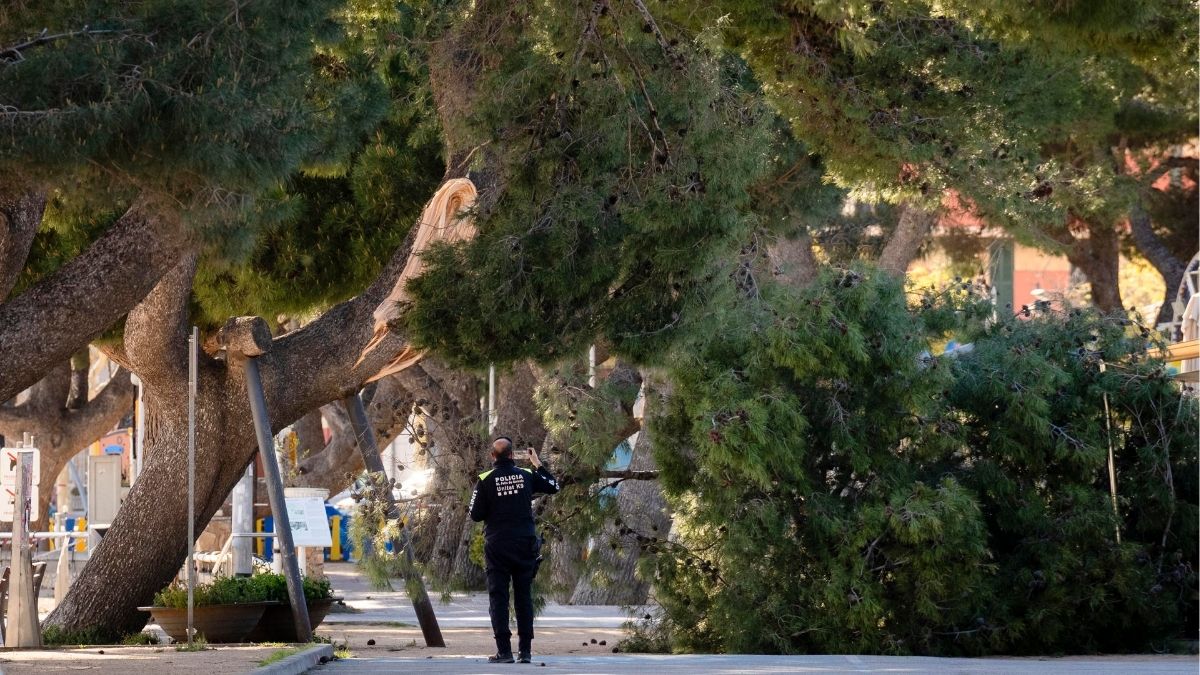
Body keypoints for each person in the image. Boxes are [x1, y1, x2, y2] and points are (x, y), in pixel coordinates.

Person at [469, 436, 560, 664]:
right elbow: (554, 486)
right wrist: (537, 463)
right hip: (524, 544)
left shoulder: (485, 479)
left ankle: (504, 652)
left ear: (493, 457)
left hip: (498, 545)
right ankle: (526, 652)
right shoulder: (527, 475)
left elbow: (475, 514)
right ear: (512, 455)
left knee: (498, 598)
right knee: (523, 598)